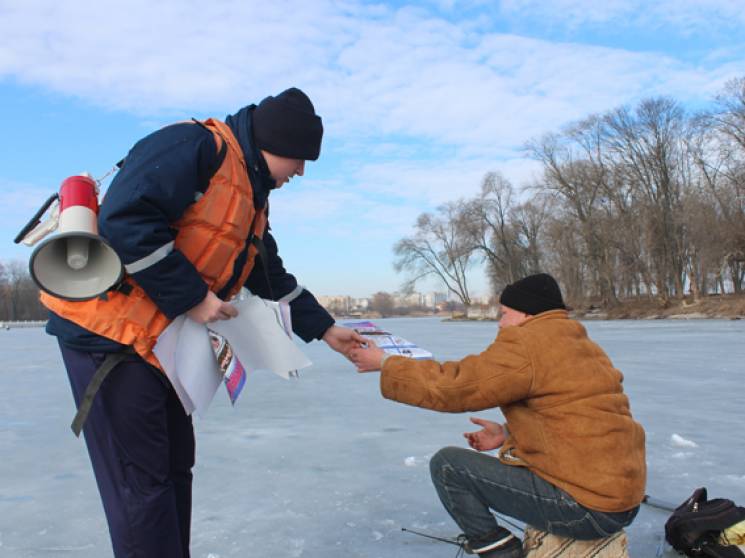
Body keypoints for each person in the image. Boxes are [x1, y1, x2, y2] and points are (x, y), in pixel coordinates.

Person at [41, 87, 364, 558]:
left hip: (159, 342)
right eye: (298, 159)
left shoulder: (251, 193)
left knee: (174, 469)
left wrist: (326, 329)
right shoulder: (194, 149)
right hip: (108, 337)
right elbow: (125, 221)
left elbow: (266, 270)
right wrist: (195, 298)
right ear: (276, 143)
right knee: (143, 485)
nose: (300, 171)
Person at [350, 273, 646, 558]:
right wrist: (508, 433)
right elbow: (578, 414)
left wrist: (386, 363)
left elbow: (456, 387)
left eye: (504, 313)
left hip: (585, 508)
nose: (500, 323)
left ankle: (500, 552)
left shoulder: (528, 342)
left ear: (527, 314)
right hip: (622, 502)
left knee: (448, 466)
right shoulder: (580, 344)